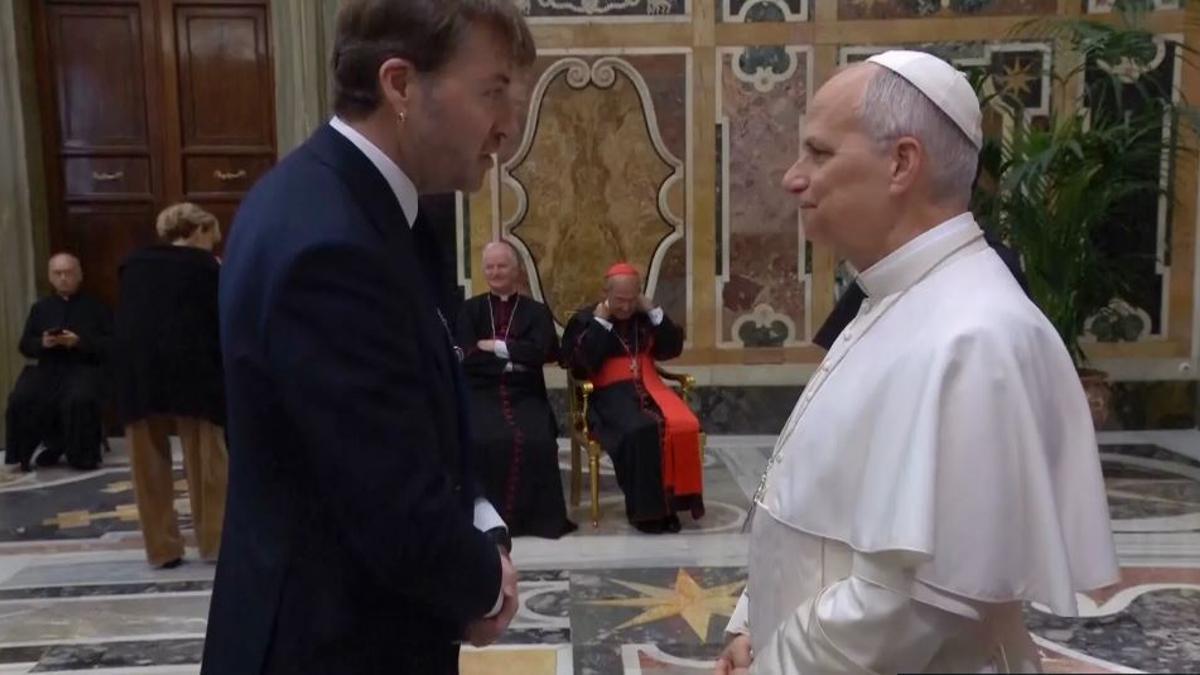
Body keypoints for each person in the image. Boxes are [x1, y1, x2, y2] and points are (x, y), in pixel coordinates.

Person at [715, 51, 1118, 675]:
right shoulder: (893, 298)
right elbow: (816, 516)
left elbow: (908, 610)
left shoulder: (975, 337)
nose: (793, 178)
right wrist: (754, 623)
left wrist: (773, 664)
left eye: (819, 153)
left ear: (902, 162)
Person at [201, 1, 535, 673]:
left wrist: (482, 520)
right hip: (330, 643)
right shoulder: (332, 244)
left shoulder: (359, 203)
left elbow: (419, 415)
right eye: (492, 92)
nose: (508, 126)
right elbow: (386, 499)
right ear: (400, 84)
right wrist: (483, 581)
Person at [114, 203, 228, 569]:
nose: (212, 245)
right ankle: (215, 542)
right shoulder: (207, 268)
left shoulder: (132, 267)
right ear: (197, 231)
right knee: (207, 463)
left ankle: (162, 549)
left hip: (139, 373)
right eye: (211, 237)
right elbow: (221, 320)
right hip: (195, 371)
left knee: (148, 466)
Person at [561, 263, 703, 534]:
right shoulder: (585, 319)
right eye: (619, 300)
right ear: (605, 292)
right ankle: (646, 514)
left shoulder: (644, 317)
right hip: (608, 397)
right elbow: (580, 366)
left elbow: (670, 349)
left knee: (678, 425)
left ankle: (670, 508)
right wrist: (601, 323)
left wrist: (654, 311)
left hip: (650, 389)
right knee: (640, 429)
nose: (626, 307)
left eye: (631, 299)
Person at [457, 241, 576, 539]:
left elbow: (542, 352)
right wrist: (513, 358)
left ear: (516, 270)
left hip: (526, 393)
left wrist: (495, 347)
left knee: (538, 441)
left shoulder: (536, 311)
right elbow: (468, 356)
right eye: (490, 267)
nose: (495, 272)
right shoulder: (470, 310)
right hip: (482, 392)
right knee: (482, 440)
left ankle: (536, 521)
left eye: (502, 266)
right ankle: (487, 520)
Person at [3, 253, 111, 472]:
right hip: (48, 369)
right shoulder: (40, 308)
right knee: (22, 398)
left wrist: (78, 342)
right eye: (58, 273)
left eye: (68, 273)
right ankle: (28, 454)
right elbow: (25, 345)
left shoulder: (97, 308)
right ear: (50, 277)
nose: (63, 278)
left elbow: (110, 345)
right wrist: (42, 342)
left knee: (79, 399)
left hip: (83, 367)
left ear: (79, 275)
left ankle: (79, 455)